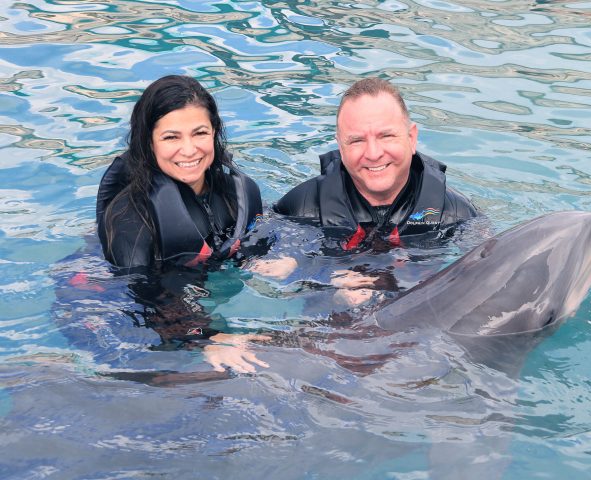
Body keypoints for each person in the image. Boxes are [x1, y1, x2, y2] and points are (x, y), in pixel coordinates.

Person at [95, 74, 286, 373]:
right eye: (171, 137)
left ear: (215, 133)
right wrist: (205, 337)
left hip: (196, 287)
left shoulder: (237, 194)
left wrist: (283, 261)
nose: (189, 150)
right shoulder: (131, 217)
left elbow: (259, 237)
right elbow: (138, 296)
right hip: (112, 304)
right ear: (149, 142)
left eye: (199, 133)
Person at [273, 77, 480, 305]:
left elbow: (482, 281)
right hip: (327, 319)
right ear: (340, 147)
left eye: (386, 136)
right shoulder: (301, 207)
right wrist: (326, 278)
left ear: (411, 138)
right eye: (357, 140)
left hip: (415, 321)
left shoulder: (455, 213)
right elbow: (260, 268)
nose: (373, 153)